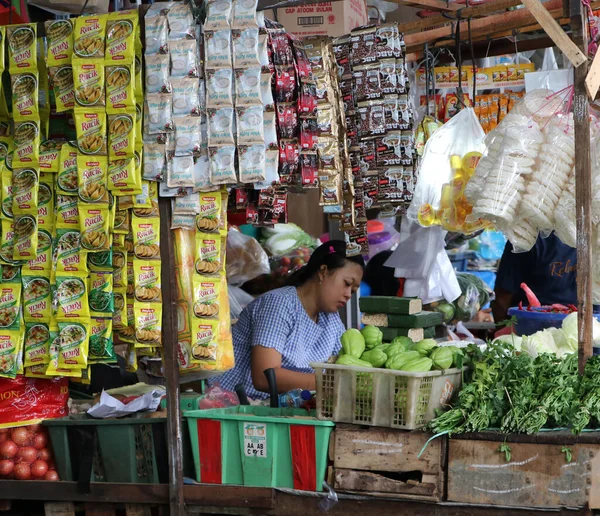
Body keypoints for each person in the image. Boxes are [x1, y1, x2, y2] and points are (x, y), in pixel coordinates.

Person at [214, 240, 364, 400]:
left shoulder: (331, 321)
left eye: (353, 291)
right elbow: (265, 377)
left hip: (280, 407)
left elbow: (343, 365)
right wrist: (330, 382)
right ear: (323, 272)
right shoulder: (279, 305)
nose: (348, 294)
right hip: (231, 404)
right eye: (347, 284)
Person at [492, 233, 577, 323]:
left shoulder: (589, 238)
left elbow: (502, 297)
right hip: (532, 325)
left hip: (577, 324)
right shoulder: (526, 238)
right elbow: (503, 296)